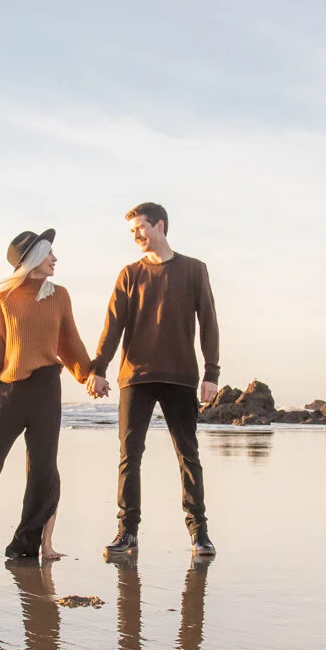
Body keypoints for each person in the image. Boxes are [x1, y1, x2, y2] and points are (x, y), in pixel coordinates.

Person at [0, 228, 94, 565]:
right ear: (34, 258)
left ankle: (24, 546)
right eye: (49, 252)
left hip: (46, 389)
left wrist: (90, 374)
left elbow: (70, 343)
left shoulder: (60, 295)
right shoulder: (4, 299)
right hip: (11, 393)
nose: (55, 258)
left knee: (43, 470)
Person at [85, 202, 220, 558]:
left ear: (159, 225)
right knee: (129, 456)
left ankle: (199, 534)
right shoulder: (129, 274)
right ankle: (127, 533)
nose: (136, 236)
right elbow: (113, 324)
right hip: (136, 377)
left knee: (188, 456)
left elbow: (208, 322)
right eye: (131, 231)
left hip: (180, 377)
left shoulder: (194, 270)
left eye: (140, 228)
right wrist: (98, 369)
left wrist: (211, 374)